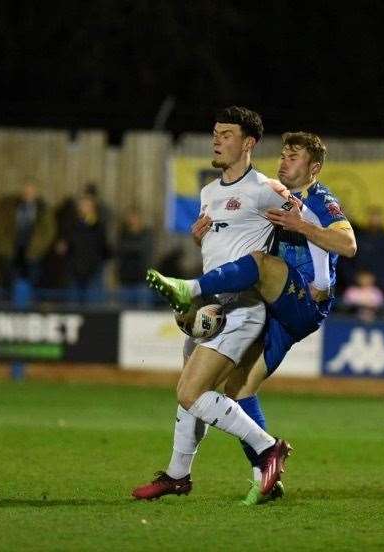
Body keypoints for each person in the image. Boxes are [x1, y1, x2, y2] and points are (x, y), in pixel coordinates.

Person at [144, 131, 356, 504]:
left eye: (294, 157)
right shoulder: (274, 194)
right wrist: (202, 239)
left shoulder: (320, 200)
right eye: (284, 155)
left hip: (304, 301)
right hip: (277, 306)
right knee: (239, 390)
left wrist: (302, 226)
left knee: (260, 264)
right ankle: (265, 475)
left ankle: (189, 289)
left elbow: (348, 245)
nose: (284, 161)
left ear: (314, 168)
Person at [132, 106, 295, 503]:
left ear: (248, 143)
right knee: (193, 391)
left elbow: (303, 232)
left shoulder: (266, 189)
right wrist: (197, 239)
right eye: (215, 133)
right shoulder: (208, 192)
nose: (217, 140)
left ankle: (267, 447)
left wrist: (304, 289)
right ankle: (176, 475)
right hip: (209, 309)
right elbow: (220, 249)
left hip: (242, 310)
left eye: (226, 134)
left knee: (190, 392)